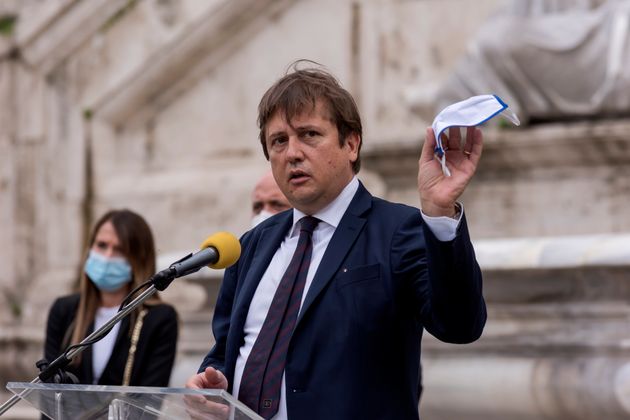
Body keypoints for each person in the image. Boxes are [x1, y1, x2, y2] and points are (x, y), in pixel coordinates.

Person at [186, 64, 486, 420]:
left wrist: (439, 212)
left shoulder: (397, 230)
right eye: (278, 141)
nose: (292, 153)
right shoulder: (251, 245)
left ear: (351, 144)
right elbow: (227, 350)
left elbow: (460, 325)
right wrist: (211, 381)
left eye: (309, 135)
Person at [43, 209, 178, 388]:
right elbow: (48, 392)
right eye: (102, 245)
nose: (107, 257)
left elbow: (150, 397)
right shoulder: (64, 310)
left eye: (120, 249)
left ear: (139, 259)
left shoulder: (159, 319)